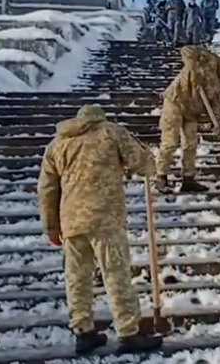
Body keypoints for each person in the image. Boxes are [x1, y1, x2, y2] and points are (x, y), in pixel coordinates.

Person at [38, 105, 162, 354]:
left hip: (71, 220)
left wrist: (51, 225)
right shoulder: (112, 132)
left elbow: (47, 187)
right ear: (100, 118)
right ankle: (128, 333)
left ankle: (83, 331)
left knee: (77, 277)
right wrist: (150, 161)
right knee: (116, 274)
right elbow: (141, 163)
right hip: (105, 218)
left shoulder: (58, 142)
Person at [154, 46, 220, 193]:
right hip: (175, 102)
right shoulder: (209, 60)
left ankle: (188, 179)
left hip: (191, 111)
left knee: (191, 144)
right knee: (170, 142)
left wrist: (215, 122)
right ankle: (161, 177)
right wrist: (192, 69)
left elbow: (215, 105)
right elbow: (186, 50)